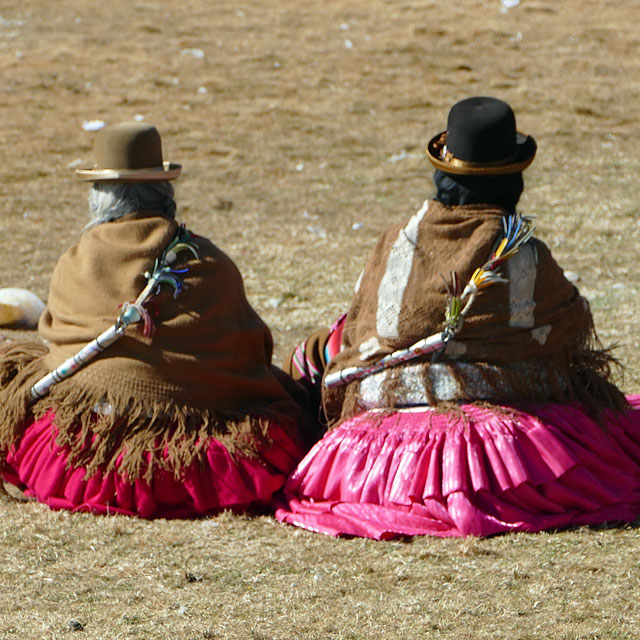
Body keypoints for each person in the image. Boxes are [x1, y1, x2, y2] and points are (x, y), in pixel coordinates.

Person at [276, 96, 640, 539]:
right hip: (507, 460)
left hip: (374, 464)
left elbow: (357, 332)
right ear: (513, 179)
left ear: (443, 172)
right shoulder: (520, 253)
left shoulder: (395, 242)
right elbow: (562, 330)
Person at [0, 121, 311, 518]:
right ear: (166, 192)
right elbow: (251, 353)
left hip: (90, 457)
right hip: (202, 457)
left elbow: (58, 350)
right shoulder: (210, 263)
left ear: (99, 198)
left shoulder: (78, 261)